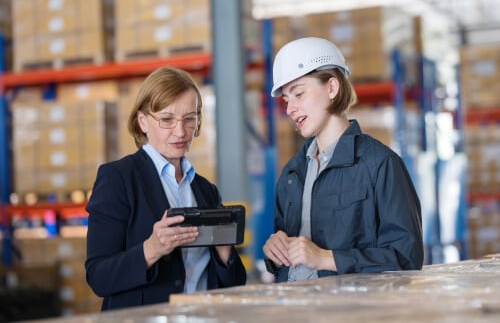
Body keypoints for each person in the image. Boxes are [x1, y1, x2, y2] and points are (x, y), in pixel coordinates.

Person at [263, 37, 424, 283]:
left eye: (299, 94)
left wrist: (326, 259)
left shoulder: (380, 165)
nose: (290, 109)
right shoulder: (292, 173)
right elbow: (289, 253)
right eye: (286, 100)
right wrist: (275, 251)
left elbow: (406, 256)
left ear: (332, 88)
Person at [85, 66, 246, 310]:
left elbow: (233, 284)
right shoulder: (118, 179)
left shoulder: (206, 190)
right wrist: (151, 250)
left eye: (189, 119)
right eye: (167, 119)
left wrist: (225, 254)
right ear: (143, 122)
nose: (180, 132)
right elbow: (98, 277)